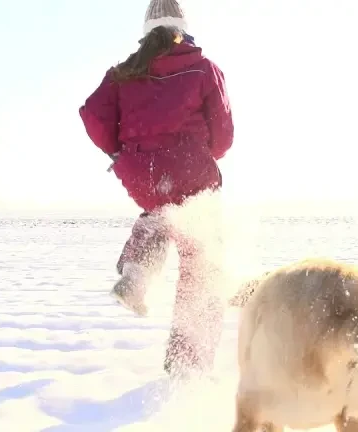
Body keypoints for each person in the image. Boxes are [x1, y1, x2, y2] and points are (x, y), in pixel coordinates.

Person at [78, 0, 234, 378]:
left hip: (142, 173)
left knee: (160, 212)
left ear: (148, 31)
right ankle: (188, 364)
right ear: (183, 27)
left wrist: (120, 152)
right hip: (192, 173)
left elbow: (92, 114)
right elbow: (224, 134)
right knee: (202, 264)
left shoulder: (123, 73)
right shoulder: (202, 68)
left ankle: (136, 272)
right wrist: (201, 156)